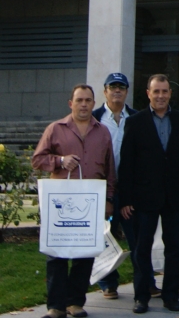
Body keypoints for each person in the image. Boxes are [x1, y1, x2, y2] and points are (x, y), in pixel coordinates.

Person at [117, 74, 179, 314]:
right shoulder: (135, 122)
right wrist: (127, 199)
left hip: (176, 197)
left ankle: (171, 296)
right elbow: (127, 164)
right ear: (148, 94)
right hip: (143, 197)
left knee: (174, 248)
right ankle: (141, 296)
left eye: (165, 91)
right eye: (157, 92)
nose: (161, 96)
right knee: (142, 248)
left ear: (170, 94)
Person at [32, 85, 116, 318]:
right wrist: (59, 161)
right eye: (79, 100)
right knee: (56, 255)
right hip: (60, 202)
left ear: (93, 103)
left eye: (88, 100)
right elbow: (37, 159)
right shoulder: (55, 129)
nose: (83, 104)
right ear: (71, 103)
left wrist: (109, 198)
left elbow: (110, 170)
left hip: (91, 202)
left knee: (84, 255)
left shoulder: (103, 132)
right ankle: (56, 306)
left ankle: (75, 302)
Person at [92, 73, 156, 300]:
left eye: (122, 87)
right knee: (105, 238)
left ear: (127, 91)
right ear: (105, 90)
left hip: (131, 189)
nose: (117, 90)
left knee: (138, 238)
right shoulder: (95, 118)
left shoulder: (137, 118)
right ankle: (108, 282)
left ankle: (146, 282)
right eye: (113, 87)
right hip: (103, 188)